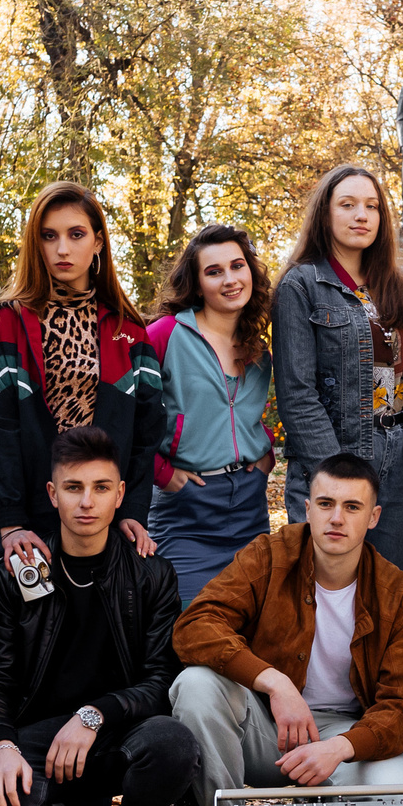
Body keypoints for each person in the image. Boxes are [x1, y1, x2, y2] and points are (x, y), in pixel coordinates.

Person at [162, 453, 403, 806]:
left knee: (398, 793)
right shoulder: (270, 555)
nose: (336, 518)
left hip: (341, 738)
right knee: (196, 685)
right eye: (325, 504)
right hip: (264, 727)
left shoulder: (396, 594)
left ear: (374, 516)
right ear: (307, 507)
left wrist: (340, 748)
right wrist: (275, 684)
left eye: (352, 507)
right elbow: (195, 626)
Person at [0, 425, 194, 806]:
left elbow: (161, 680)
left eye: (100, 488)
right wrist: (1, 745)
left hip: (116, 734)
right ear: (52, 494)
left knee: (174, 743)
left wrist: (94, 714)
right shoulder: (16, 573)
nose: (86, 502)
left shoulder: (150, 572)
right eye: (73, 488)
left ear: (120, 496)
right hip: (41, 742)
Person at [0, 181, 167, 593]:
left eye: (76, 234)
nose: (62, 249)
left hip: (102, 527)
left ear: (98, 242)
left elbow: (147, 431)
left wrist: (132, 508)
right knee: (20, 649)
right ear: (36, 244)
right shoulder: (8, 323)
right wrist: (10, 521)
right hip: (27, 530)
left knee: (101, 649)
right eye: (49, 236)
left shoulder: (128, 331)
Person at [272, 165, 403, 565]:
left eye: (372, 206)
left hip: (399, 466)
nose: (362, 215)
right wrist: (340, 477)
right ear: (325, 213)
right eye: (348, 204)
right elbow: (297, 396)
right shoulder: (300, 285)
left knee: (386, 597)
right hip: (335, 461)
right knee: (325, 598)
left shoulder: (394, 288)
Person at [145, 224, 276, 603]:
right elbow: (124, 416)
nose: (230, 279)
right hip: (186, 510)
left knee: (251, 625)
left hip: (250, 506)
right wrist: (161, 472)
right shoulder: (164, 335)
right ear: (197, 283)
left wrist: (264, 452)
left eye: (237, 266)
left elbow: (248, 414)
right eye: (214, 271)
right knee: (188, 628)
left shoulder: (258, 346)